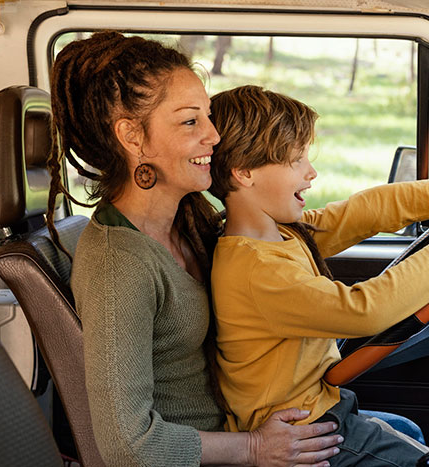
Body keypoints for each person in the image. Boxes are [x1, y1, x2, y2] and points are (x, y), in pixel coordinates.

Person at [45, 32, 343, 467]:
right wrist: (256, 448)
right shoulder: (118, 265)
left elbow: (306, 231)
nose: (215, 135)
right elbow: (127, 446)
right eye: (191, 122)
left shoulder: (190, 220)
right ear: (133, 136)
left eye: (208, 116)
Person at [207, 85, 429, 466]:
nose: (311, 172)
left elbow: (361, 212)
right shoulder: (256, 269)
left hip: (321, 407)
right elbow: (362, 311)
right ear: (244, 173)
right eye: (296, 161)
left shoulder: (280, 233)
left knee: (408, 431)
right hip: (305, 434)